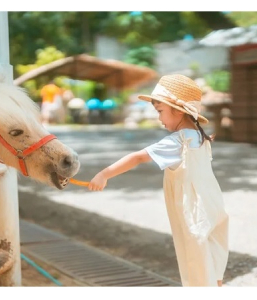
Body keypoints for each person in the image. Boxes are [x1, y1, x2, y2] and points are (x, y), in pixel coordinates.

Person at [88, 74, 229, 287]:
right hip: (214, 208)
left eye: (160, 111)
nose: (159, 118)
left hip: (194, 215)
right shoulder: (201, 138)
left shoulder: (177, 141)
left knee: (197, 267)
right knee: (213, 265)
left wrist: (104, 174)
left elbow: (137, 157)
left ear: (179, 110)